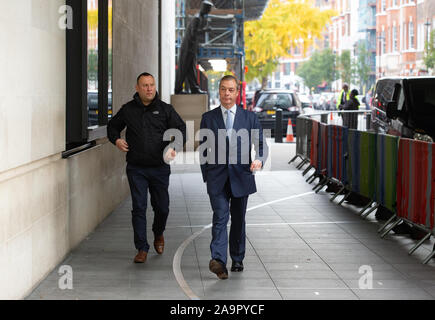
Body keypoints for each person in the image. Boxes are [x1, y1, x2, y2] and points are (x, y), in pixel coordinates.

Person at [107, 72, 186, 263]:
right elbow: (112, 127)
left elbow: (181, 130)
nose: (149, 88)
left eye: (152, 85)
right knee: (139, 207)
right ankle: (141, 247)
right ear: (137, 88)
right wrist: (116, 140)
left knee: (162, 208)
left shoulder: (165, 109)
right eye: (145, 85)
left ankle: (158, 233)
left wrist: (173, 148)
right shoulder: (128, 110)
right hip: (136, 168)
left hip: (159, 168)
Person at [199, 75, 269, 280]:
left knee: (238, 219)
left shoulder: (249, 118)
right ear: (218, 91)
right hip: (217, 178)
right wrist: (207, 175)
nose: (226, 94)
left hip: (241, 176)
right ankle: (218, 261)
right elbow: (204, 150)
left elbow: (261, 144)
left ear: (237, 93)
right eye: (223, 89)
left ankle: (237, 257)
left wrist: (259, 160)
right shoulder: (208, 118)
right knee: (220, 216)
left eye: (230, 90)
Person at [175, 0, 213, 94]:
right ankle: (178, 89)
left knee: (191, 68)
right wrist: (205, 30)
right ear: (204, 8)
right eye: (208, 10)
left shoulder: (198, 18)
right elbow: (193, 33)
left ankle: (194, 88)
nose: (208, 12)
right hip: (188, 47)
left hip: (191, 47)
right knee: (183, 68)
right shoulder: (197, 19)